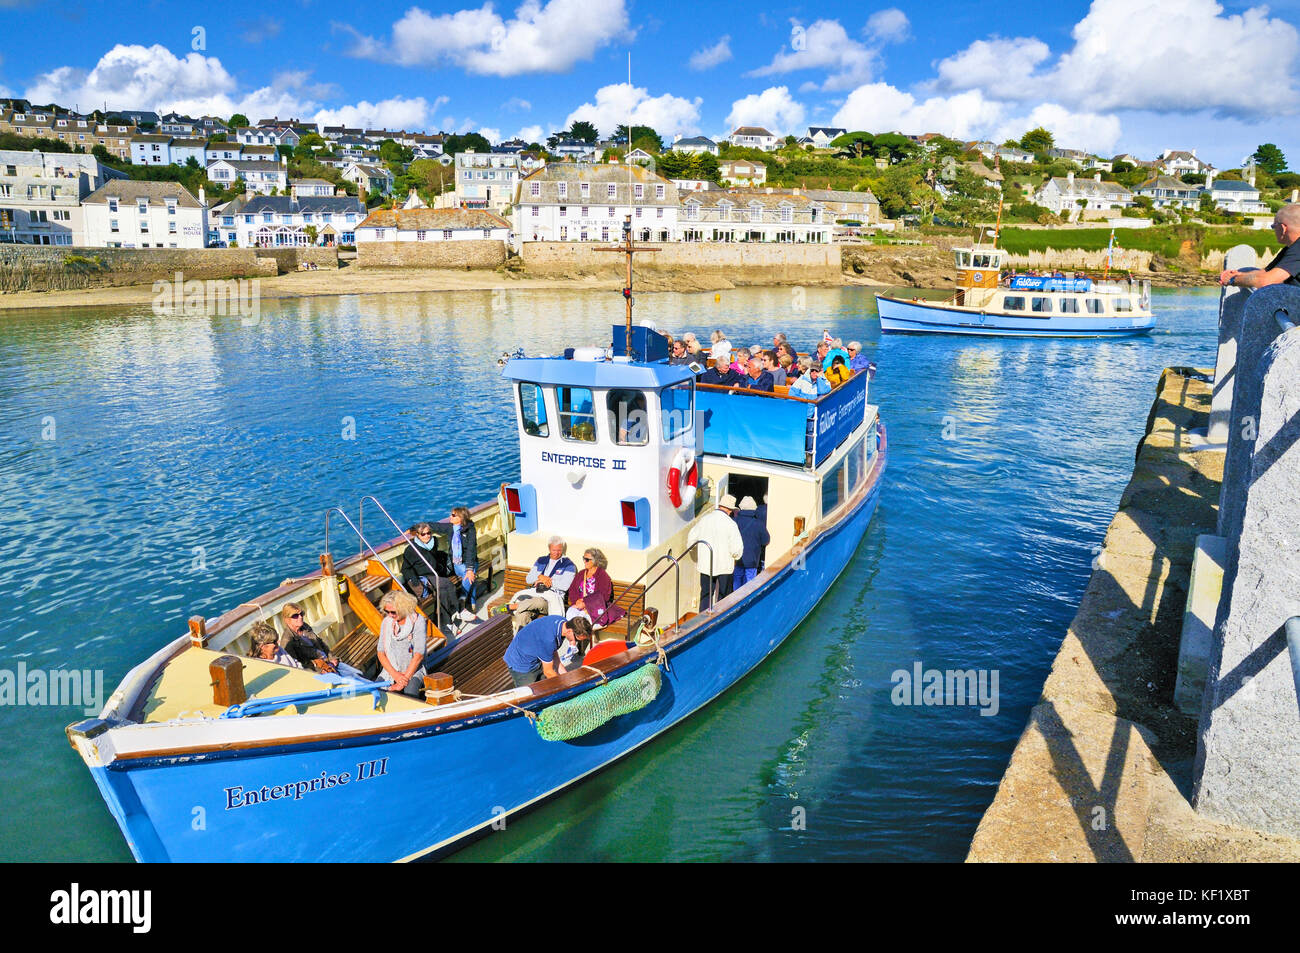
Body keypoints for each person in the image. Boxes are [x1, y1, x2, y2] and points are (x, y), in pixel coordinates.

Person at [1220, 205, 1300, 289]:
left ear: (1283, 228)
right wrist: (1239, 274)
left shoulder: (1298, 248)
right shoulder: (1290, 248)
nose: (1274, 230)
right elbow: (1264, 273)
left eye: (1274, 226)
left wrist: (1232, 280)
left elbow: (1265, 281)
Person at [688, 493, 744, 611]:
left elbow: (691, 539)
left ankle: (702, 620)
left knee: (705, 596)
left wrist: (697, 553)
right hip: (724, 567)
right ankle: (720, 618)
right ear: (729, 510)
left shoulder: (705, 520)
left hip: (705, 565)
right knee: (724, 597)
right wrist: (736, 557)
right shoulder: (731, 524)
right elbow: (737, 550)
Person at [503, 615, 593, 687]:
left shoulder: (562, 622)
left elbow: (555, 657)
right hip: (521, 664)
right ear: (569, 631)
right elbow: (548, 672)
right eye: (577, 639)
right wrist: (565, 687)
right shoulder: (548, 640)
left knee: (543, 687)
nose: (575, 642)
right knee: (529, 696)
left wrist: (567, 678)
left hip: (536, 655)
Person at [401, 522, 457, 635]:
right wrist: (413, 579)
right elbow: (405, 569)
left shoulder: (434, 542)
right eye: (423, 534)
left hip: (435, 574)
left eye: (429, 533)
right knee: (447, 585)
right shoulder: (411, 550)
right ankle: (456, 612)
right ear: (417, 535)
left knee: (444, 590)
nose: (427, 536)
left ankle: (449, 621)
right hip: (424, 577)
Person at [281, 602, 363, 677]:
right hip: (319, 672)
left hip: (329, 662)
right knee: (354, 681)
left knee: (358, 674)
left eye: (301, 614)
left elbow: (320, 643)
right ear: (287, 619)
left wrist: (332, 657)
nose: (300, 617)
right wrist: (320, 670)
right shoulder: (287, 641)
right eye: (295, 616)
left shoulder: (304, 627)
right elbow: (298, 666)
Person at [377, 589, 427, 696]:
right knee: (377, 692)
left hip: (413, 671)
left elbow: (418, 655)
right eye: (387, 612)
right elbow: (381, 653)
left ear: (403, 608)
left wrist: (403, 680)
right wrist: (396, 675)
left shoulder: (418, 621)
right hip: (390, 671)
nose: (390, 615)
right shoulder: (386, 623)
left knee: (410, 695)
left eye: (393, 612)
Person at [567, 548, 626, 630]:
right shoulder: (581, 573)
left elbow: (604, 596)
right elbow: (572, 590)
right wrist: (577, 602)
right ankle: (576, 641)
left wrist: (586, 603)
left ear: (595, 561)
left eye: (587, 559)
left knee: (581, 623)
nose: (584, 561)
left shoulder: (602, 576)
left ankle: (578, 641)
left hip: (594, 609)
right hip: (579, 606)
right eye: (583, 558)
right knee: (570, 615)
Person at [733, 496, 770, 590]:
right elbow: (766, 540)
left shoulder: (734, 521)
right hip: (752, 560)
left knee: (737, 580)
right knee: (750, 584)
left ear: (741, 507)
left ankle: (735, 600)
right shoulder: (759, 524)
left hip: (737, 558)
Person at [448, 505, 478, 616]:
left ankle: (462, 599)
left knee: (470, 574)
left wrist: (470, 569)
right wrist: (415, 528)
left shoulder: (470, 530)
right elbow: (435, 526)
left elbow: (471, 550)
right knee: (471, 576)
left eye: (453, 515)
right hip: (458, 563)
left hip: (470, 562)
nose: (450, 517)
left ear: (460, 518)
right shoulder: (451, 528)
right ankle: (472, 603)